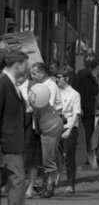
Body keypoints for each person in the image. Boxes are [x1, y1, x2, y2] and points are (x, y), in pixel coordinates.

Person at [30, 62, 63, 198]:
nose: (32, 76)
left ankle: (50, 185)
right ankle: (46, 184)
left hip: (50, 125)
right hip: (40, 124)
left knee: (49, 157)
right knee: (45, 157)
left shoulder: (51, 86)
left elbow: (47, 104)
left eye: (35, 73)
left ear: (43, 73)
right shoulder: (37, 86)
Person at [0, 49, 29, 205]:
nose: (27, 67)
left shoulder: (11, 83)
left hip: (12, 143)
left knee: (16, 180)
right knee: (18, 180)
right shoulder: (3, 83)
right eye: (25, 64)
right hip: (7, 144)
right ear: (17, 65)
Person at [17, 73, 43, 199]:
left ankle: (30, 186)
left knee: (32, 159)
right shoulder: (12, 85)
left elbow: (42, 104)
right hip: (16, 125)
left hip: (31, 126)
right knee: (17, 157)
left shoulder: (35, 86)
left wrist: (32, 109)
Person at [73, 58, 99, 164]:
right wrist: (80, 106)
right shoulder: (85, 78)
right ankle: (89, 156)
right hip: (89, 109)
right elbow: (80, 92)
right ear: (98, 66)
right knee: (88, 133)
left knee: (97, 133)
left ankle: (96, 154)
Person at [56, 70, 81, 193]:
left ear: (66, 78)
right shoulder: (56, 92)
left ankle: (71, 184)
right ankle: (53, 182)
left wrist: (69, 130)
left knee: (68, 156)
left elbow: (76, 112)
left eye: (59, 77)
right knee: (55, 155)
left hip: (69, 126)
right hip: (56, 125)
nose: (57, 80)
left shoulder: (75, 94)